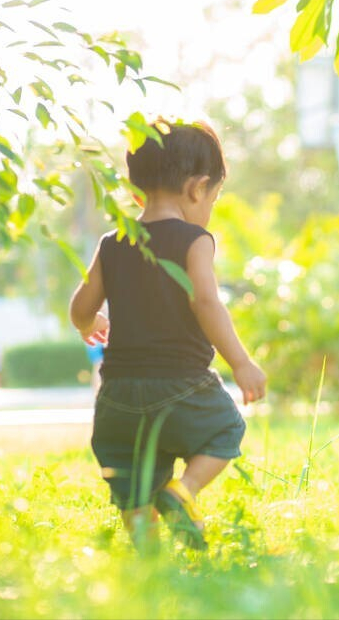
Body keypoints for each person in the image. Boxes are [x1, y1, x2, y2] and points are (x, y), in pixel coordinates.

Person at [69, 119, 267, 554]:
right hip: (182, 384)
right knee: (225, 429)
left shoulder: (113, 240)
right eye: (213, 198)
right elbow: (206, 303)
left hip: (118, 393)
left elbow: (80, 309)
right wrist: (242, 363)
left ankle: (149, 561)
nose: (209, 207)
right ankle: (183, 492)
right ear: (197, 188)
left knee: (134, 482)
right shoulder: (195, 239)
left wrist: (92, 324)